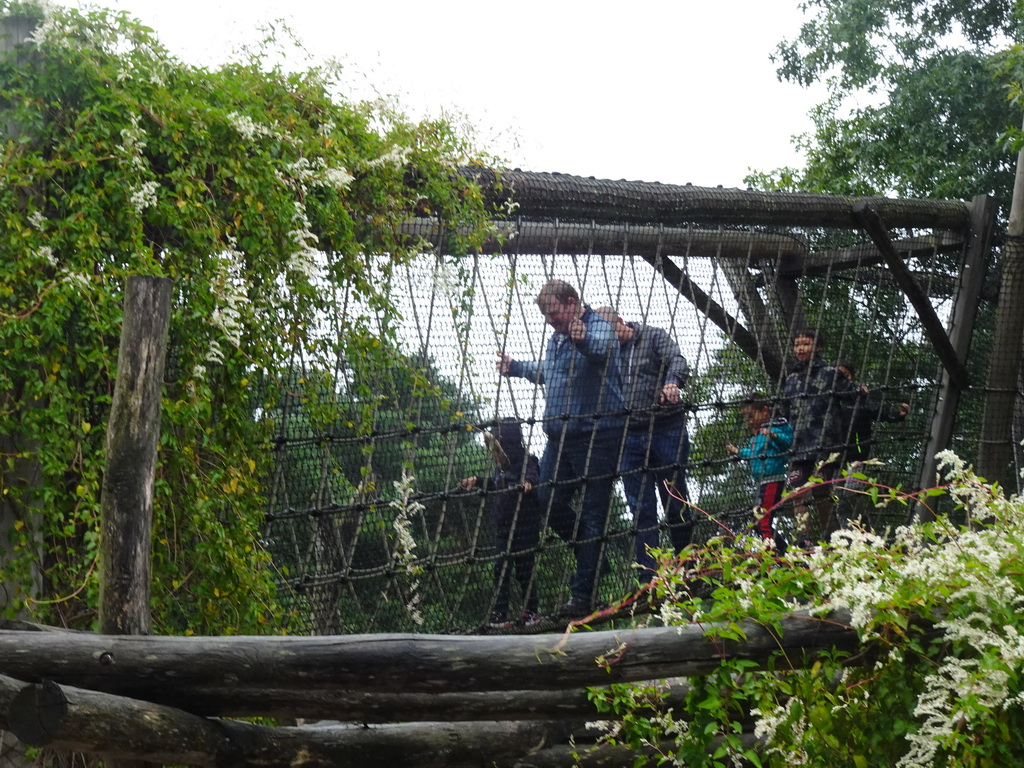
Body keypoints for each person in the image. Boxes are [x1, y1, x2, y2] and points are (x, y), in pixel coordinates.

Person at [498, 280, 626, 617]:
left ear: (571, 302)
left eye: (553, 314)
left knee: (595, 512)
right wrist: (517, 368)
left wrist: (580, 339)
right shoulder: (557, 337)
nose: (550, 322)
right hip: (560, 437)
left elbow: (601, 350)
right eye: (546, 317)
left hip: (596, 436)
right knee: (547, 501)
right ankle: (593, 557)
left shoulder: (597, 328)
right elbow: (551, 373)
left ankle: (582, 594)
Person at [593, 307, 692, 585]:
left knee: (675, 499)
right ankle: (648, 576)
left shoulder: (652, 336)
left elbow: (676, 359)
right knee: (640, 508)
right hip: (628, 437)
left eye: (609, 334)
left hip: (666, 427)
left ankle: (688, 565)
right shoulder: (603, 353)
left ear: (621, 323)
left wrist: (672, 382)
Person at [459, 418, 542, 629]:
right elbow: (497, 486)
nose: (494, 456)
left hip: (525, 527)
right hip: (504, 528)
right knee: (500, 570)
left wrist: (528, 482)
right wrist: (478, 481)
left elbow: (532, 474)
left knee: (524, 570)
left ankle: (531, 611)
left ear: (508, 448)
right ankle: (500, 613)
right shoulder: (501, 470)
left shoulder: (526, 461)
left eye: (497, 451)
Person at [779, 328, 857, 543]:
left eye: (806, 343)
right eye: (797, 344)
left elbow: (852, 394)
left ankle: (829, 536)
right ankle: (803, 538)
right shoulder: (791, 379)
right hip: (798, 444)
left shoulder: (832, 374)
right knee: (797, 493)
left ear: (818, 347)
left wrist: (861, 391)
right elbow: (783, 412)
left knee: (822, 492)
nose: (800, 348)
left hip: (824, 444)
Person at [726, 393, 793, 545]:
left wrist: (774, 435)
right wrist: (738, 452)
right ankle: (785, 555)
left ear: (764, 411)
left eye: (751, 416)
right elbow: (754, 454)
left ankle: (773, 561)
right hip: (762, 483)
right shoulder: (756, 436)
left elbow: (786, 443)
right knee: (758, 522)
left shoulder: (776, 427)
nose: (749, 421)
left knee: (762, 521)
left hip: (773, 480)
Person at [836, 361, 910, 468]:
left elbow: (878, 410)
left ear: (852, 377)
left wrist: (897, 414)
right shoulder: (827, 398)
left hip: (856, 455)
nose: (842, 379)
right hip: (831, 453)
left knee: (850, 484)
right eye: (838, 376)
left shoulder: (859, 398)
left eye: (846, 375)